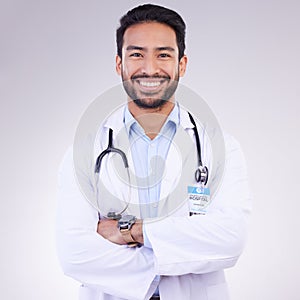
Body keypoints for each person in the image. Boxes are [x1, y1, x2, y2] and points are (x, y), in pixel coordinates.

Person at [56, 4, 251, 300]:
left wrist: (133, 232)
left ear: (181, 65)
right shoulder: (84, 152)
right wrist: (176, 254)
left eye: (163, 54)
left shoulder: (220, 148)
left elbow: (230, 239)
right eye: (136, 54)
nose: (149, 68)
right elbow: (75, 253)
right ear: (119, 64)